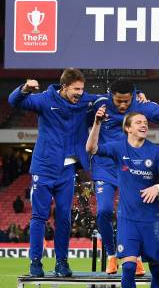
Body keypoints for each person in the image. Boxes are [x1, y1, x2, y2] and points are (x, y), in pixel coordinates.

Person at [86, 107, 159, 288]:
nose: (144, 125)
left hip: (152, 221)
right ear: (127, 128)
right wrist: (97, 122)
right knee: (127, 268)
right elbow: (91, 148)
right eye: (138, 122)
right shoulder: (118, 147)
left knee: (157, 270)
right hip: (127, 220)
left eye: (145, 122)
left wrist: (158, 188)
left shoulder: (156, 151)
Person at [91, 79, 159, 275]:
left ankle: (135, 256)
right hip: (106, 167)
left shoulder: (143, 106)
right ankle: (112, 255)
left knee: (135, 211)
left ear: (133, 96)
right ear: (111, 95)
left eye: (126, 102)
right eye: (118, 101)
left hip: (133, 168)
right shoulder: (99, 103)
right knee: (103, 210)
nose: (122, 106)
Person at [8, 68, 102, 277]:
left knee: (64, 218)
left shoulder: (84, 101)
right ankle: (35, 262)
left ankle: (61, 263)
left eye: (82, 89)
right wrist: (24, 88)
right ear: (64, 87)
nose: (80, 93)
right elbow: (14, 101)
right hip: (44, 168)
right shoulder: (44, 100)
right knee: (39, 217)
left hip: (67, 169)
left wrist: (136, 96)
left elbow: (109, 99)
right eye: (76, 89)